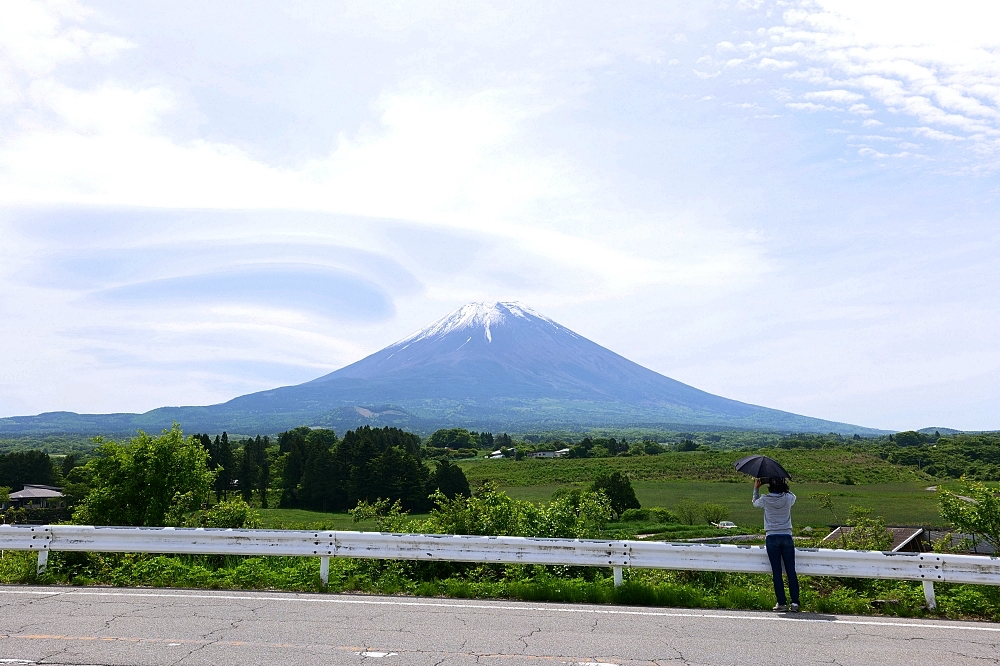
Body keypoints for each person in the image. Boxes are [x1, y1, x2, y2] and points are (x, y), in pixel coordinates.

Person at [753, 477, 799, 612]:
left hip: (772, 537)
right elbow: (793, 496)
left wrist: (756, 487)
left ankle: (782, 603)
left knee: (777, 572)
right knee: (791, 571)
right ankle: (795, 603)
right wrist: (784, 484)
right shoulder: (787, 498)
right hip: (786, 536)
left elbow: (755, 502)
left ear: (770, 487)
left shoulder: (765, 499)